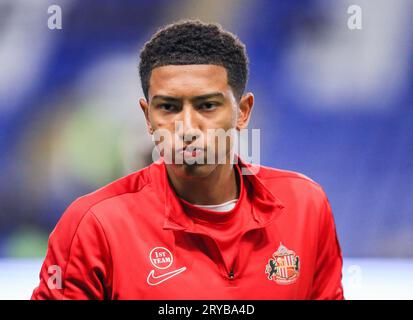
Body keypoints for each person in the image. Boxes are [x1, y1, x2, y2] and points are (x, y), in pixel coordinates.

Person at [31, 20, 344, 300]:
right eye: (168, 107)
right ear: (147, 116)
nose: (188, 128)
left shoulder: (305, 207)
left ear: (243, 112)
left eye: (207, 105)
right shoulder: (91, 223)